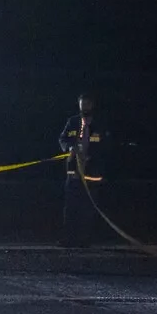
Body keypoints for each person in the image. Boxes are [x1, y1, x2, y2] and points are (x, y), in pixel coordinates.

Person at [58, 94, 103, 248]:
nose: (84, 107)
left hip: (91, 173)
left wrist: (91, 157)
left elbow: (105, 145)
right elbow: (63, 138)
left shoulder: (99, 123)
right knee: (71, 207)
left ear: (92, 105)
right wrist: (70, 148)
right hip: (73, 173)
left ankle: (85, 239)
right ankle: (68, 238)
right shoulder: (73, 122)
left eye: (87, 104)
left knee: (88, 208)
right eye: (82, 104)